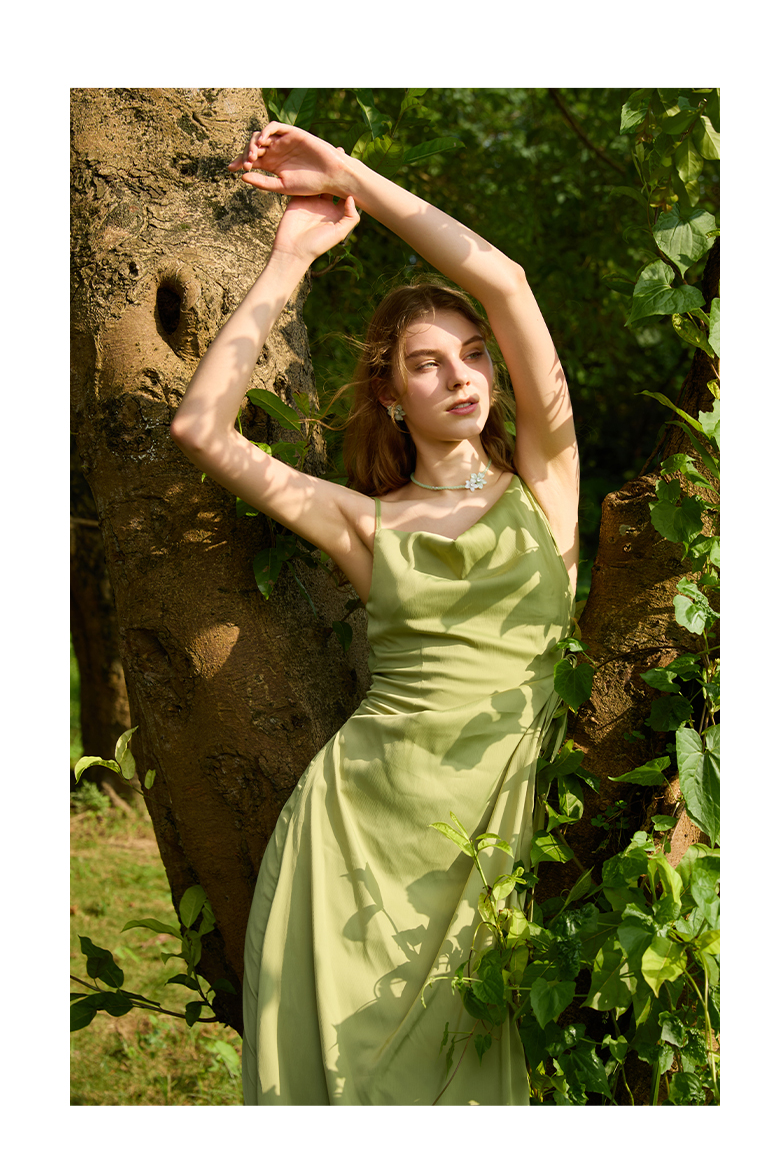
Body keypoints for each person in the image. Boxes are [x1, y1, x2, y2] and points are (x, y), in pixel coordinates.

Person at [170, 121, 579, 1106]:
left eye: (473, 355)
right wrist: (290, 257)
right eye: (426, 363)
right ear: (390, 394)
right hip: (361, 839)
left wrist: (350, 174)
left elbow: (506, 281)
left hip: (500, 830)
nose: (462, 376)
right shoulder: (366, 522)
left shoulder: (548, 477)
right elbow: (200, 428)